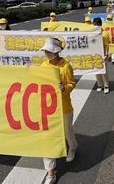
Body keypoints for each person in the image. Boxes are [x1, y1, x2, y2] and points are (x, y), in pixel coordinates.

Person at [39, 38, 78, 184]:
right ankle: (50, 173)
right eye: (45, 51)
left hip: (64, 107)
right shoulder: (43, 66)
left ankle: (73, 147)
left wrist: (64, 88)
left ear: (57, 52)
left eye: (49, 51)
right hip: (48, 108)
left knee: (68, 131)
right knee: (48, 137)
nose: (46, 53)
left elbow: (71, 84)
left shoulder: (66, 66)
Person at [93, 18, 110, 94]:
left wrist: (106, 54)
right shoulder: (92, 33)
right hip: (94, 55)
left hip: (102, 55)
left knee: (104, 71)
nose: (96, 26)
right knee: (97, 71)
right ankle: (100, 85)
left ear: (100, 25)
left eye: (97, 25)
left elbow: (106, 45)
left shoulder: (105, 33)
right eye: (95, 24)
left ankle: (106, 86)